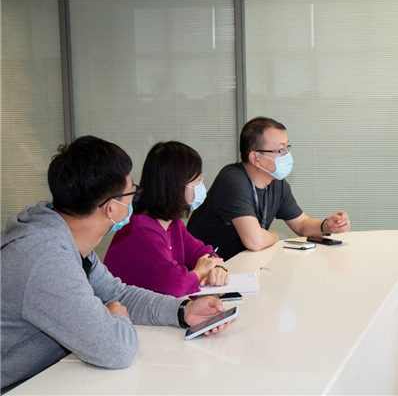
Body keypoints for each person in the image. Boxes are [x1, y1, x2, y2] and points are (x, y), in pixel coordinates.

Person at [0, 136, 234, 392]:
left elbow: (117, 293)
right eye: (132, 193)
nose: (135, 200)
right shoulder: (46, 259)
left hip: (51, 375)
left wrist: (182, 311)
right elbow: (116, 349)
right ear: (111, 208)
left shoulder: (67, 237)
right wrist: (116, 317)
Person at [187, 116, 351, 261]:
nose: (287, 155)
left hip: (242, 268)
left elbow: (301, 224)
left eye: (287, 147)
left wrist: (326, 226)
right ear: (255, 158)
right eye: (280, 150)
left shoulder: (276, 183)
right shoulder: (232, 180)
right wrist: (274, 235)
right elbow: (255, 241)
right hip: (204, 273)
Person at [104, 141, 229, 297]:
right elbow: (176, 285)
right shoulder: (141, 229)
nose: (201, 186)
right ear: (175, 186)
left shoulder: (173, 224)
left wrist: (217, 268)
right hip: (126, 310)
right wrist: (201, 270)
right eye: (197, 181)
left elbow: (202, 252)